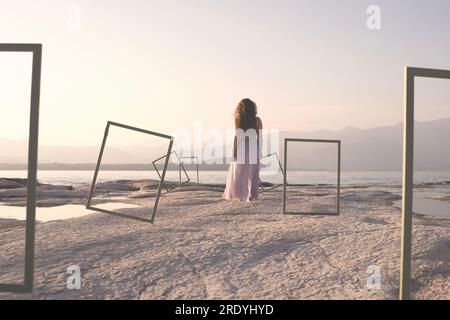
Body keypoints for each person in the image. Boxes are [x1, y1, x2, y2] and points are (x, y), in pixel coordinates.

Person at [223, 98, 263, 202]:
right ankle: (250, 195)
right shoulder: (257, 120)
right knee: (252, 172)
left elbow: (237, 136)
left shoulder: (238, 120)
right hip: (253, 147)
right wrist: (259, 151)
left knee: (240, 173)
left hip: (242, 147)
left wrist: (234, 151)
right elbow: (259, 137)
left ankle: (241, 194)